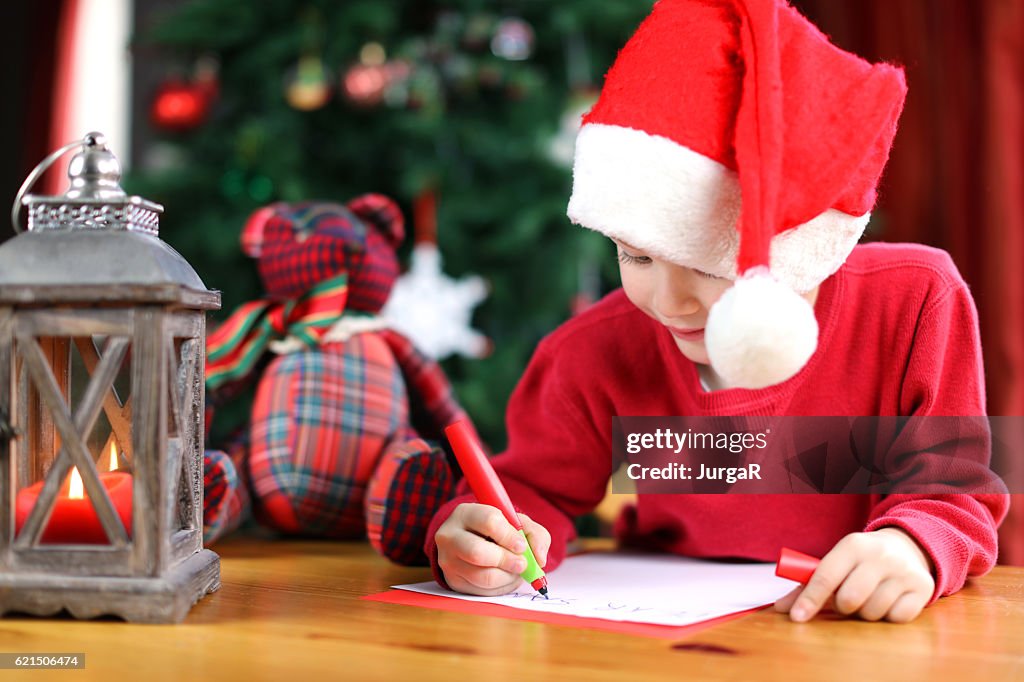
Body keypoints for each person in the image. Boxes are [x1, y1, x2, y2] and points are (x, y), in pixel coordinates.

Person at [425, 0, 1008, 623]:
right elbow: (528, 493)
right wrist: (482, 542)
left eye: (711, 270)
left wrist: (911, 545)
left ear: (804, 245)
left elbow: (954, 492)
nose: (669, 304)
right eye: (636, 256)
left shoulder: (916, 301)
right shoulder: (596, 351)